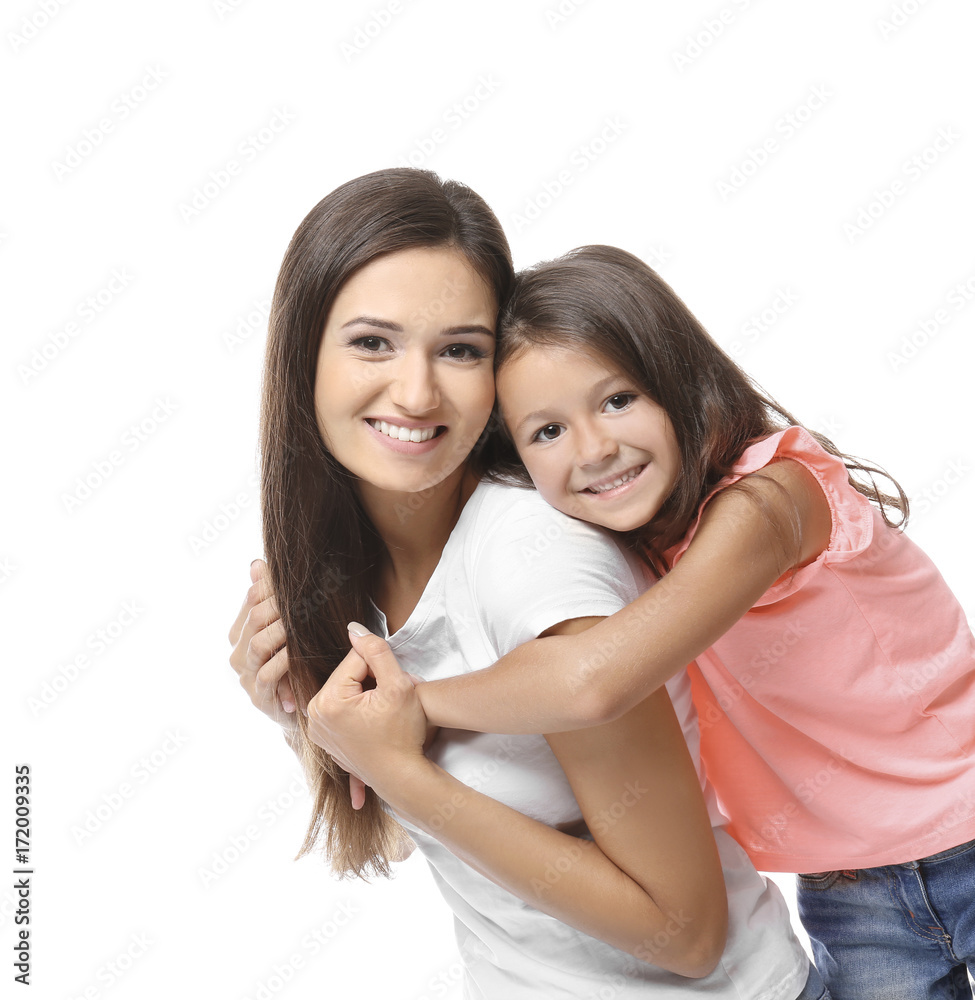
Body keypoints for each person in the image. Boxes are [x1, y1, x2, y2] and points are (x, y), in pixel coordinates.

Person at [228, 170, 820, 998]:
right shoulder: (345, 563)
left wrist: (396, 766)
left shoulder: (530, 559)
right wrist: (306, 723)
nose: (415, 391)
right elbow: (442, 839)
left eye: (460, 350)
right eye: (372, 342)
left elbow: (685, 934)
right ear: (303, 356)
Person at [337, 243, 973, 998]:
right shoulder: (633, 542)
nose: (595, 447)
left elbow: (592, 682)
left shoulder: (769, 504)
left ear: (676, 383)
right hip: (850, 888)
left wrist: (409, 706)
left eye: (616, 400)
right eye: (547, 431)